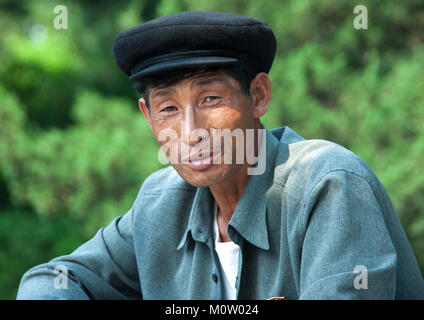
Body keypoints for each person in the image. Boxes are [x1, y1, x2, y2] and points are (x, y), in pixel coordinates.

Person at [17, 11, 424, 300]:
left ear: (259, 96)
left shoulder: (328, 186)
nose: (191, 133)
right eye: (168, 108)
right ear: (148, 116)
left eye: (211, 98)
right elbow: (54, 278)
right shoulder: (159, 204)